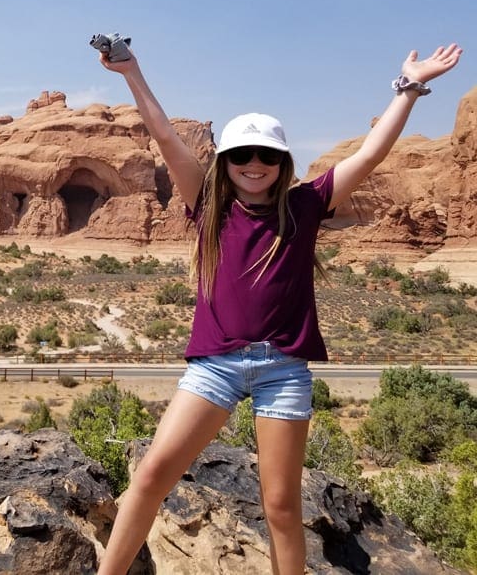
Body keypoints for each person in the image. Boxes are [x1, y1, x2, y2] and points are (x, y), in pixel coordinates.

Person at [96, 41, 463, 575]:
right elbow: (166, 137)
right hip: (215, 367)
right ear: (226, 162)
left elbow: (370, 154)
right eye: (242, 155)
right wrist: (132, 73)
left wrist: (408, 87)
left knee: (282, 507)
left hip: (284, 372)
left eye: (267, 155)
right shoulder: (209, 204)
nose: (254, 164)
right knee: (151, 476)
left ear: (282, 162)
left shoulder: (306, 205)